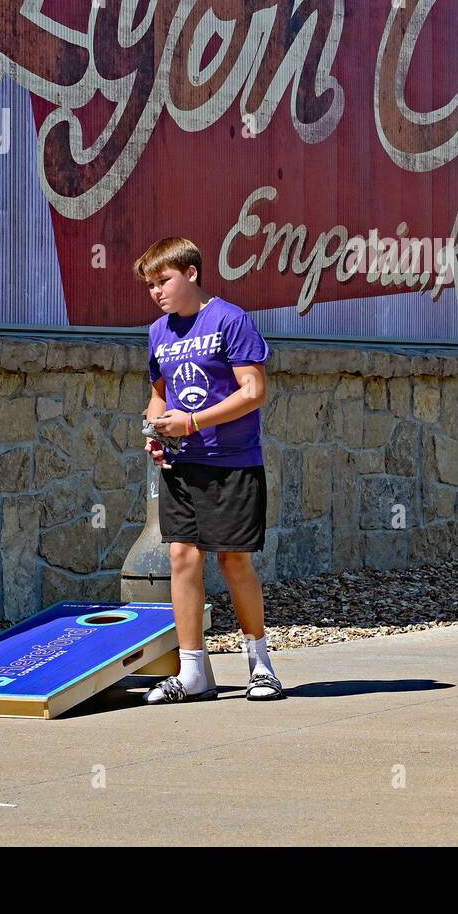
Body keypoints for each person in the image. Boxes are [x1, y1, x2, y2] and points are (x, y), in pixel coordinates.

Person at [134, 237, 284, 703]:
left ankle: (262, 666)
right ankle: (194, 672)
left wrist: (194, 421)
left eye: (164, 281)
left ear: (192, 273)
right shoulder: (159, 332)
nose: (156, 292)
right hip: (182, 464)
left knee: (233, 559)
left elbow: (254, 391)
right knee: (183, 558)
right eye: (150, 286)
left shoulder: (230, 319)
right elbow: (159, 393)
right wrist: (156, 430)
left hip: (232, 462)